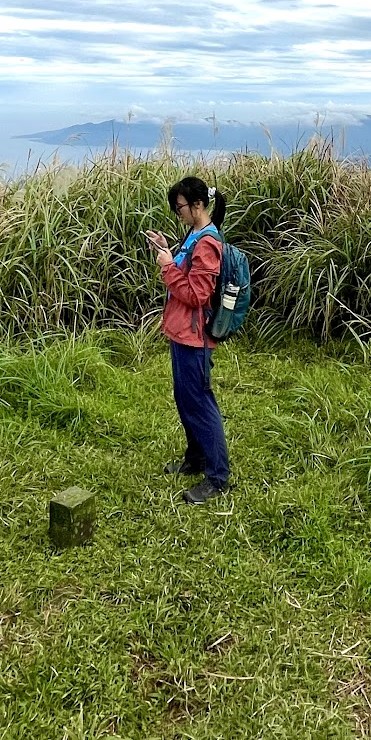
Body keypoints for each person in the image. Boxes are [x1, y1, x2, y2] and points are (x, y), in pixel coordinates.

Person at [143, 175, 230, 504]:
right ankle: (195, 459)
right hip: (181, 332)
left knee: (200, 404)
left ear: (198, 205)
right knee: (186, 399)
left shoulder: (208, 243)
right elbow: (185, 274)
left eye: (179, 207)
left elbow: (196, 294)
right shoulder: (194, 234)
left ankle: (218, 477)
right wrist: (168, 251)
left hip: (196, 338)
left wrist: (167, 267)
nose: (176, 212)